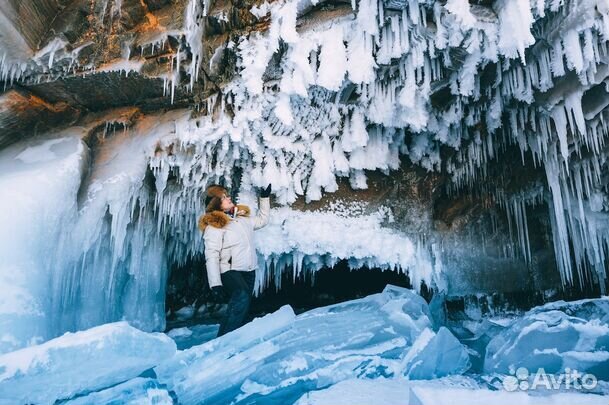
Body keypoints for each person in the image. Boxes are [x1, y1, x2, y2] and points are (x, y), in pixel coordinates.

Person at [198, 184, 271, 336]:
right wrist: (215, 283)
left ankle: (232, 338)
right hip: (229, 270)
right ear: (216, 204)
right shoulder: (215, 227)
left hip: (249, 270)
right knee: (242, 295)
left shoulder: (242, 219)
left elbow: (262, 220)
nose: (228, 198)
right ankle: (225, 339)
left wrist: (264, 198)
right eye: (223, 198)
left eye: (227, 195)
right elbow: (211, 255)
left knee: (241, 306)